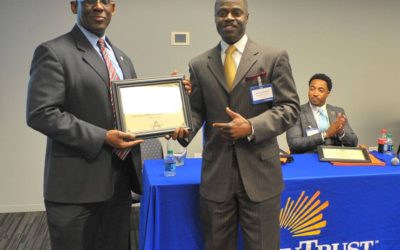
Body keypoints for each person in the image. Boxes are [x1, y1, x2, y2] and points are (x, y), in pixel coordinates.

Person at [26, 0, 192, 249]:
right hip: (76, 189)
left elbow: (134, 111)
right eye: (89, 1)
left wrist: (172, 101)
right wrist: (102, 137)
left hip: (119, 182)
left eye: (105, 1)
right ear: (74, 6)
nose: (98, 6)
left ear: (113, 8)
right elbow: (41, 113)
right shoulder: (53, 52)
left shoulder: (121, 58)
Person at [174, 0, 300, 249]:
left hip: (260, 175)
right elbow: (198, 110)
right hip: (217, 175)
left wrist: (251, 127)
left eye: (236, 12)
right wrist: (182, 128)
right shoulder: (199, 64)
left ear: (247, 17)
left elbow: (289, 108)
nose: (229, 17)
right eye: (222, 13)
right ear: (215, 18)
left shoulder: (273, 58)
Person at [286, 73, 358, 154]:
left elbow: (353, 143)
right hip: (309, 159)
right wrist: (325, 134)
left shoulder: (338, 112)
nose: (315, 94)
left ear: (328, 93)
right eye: (312, 89)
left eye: (320, 90)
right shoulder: (296, 112)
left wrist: (341, 132)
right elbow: (294, 143)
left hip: (334, 158)